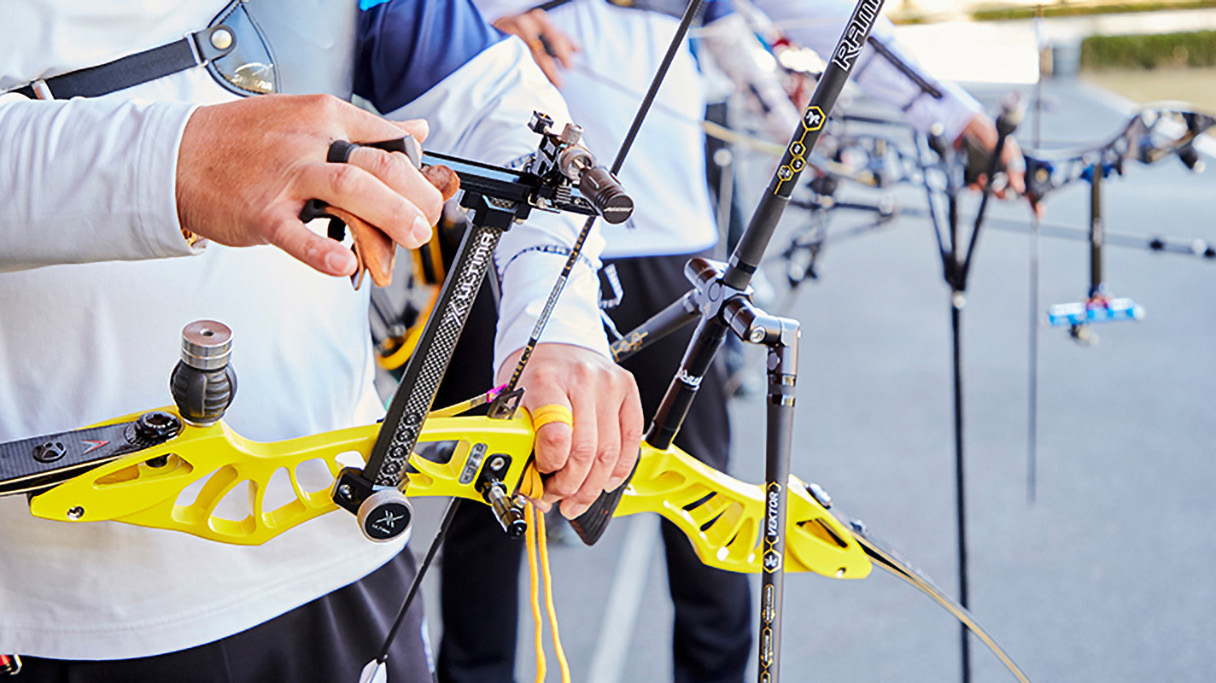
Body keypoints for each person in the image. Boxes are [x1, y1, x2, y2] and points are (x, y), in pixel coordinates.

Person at [0, 1, 641, 681]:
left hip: (340, 545)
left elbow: (499, 102)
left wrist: (559, 325)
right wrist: (181, 159)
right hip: (56, 608)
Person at [438, 1, 1028, 682]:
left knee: (706, 506)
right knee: (483, 502)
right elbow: (409, 33)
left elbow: (834, 22)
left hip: (667, 246)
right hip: (513, 237)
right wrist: (475, 31)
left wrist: (956, 119)